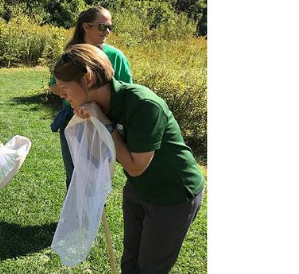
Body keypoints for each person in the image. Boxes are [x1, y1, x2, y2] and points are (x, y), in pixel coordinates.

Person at [53, 44, 205, 274]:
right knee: (130, 260)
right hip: (138, 189)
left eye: (64, 88)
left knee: (150, 266)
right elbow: (102, 157)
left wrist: (105, 123)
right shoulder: (97, 107)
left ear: (88, 79)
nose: (62, 96)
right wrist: (89, 126)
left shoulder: (144, 105)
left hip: (173, 193)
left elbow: (135, 166)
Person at [49, 6, 133, 189]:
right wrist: (69, 87)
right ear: (86, 27)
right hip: (72, 117)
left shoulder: (115, 56)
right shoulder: (70, 54)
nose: (108, 31)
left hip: (103, 119)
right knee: (74, 173)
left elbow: (126, 89)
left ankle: (94, 215)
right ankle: (74, 216)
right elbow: (54, 86)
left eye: (110, 27)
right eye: (103, 26)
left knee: (96, 174)